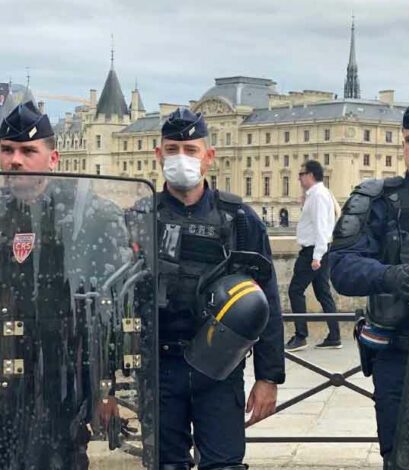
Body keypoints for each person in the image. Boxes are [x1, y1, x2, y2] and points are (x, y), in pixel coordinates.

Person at [0, 101, 134, 468]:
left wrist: (107, 388)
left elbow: (110, 306)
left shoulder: (90, 216)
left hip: (62, 374)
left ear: (53, 158)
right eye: (7, 150)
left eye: (28, 151)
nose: (15, 160)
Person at [151, 108, 285, 470]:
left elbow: (267, 301)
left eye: (191, 150)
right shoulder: (140, 217)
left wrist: (268, 377)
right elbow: (117, 304)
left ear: (209, 157)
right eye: (173, 148)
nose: (181, 157)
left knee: (225, 464)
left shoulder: (240, 220)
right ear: (158, 154)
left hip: (220, 365)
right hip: (159, 364)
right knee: (165, 464)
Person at [329, 93, 409, 468]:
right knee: (403, 461)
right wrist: (391, 276)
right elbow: (340, 267)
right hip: (398, 354)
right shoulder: (376, 200)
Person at [285, 159, 341, 351]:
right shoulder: (319, 194)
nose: (299, 178)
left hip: (313, 251)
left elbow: (321, 227)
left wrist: (316, 256)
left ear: (310, 175)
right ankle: (335, 336)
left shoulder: (317, 196)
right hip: (321, 249)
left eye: (301, 174)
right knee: (323, 293)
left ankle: (301, 336)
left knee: (295, 290)